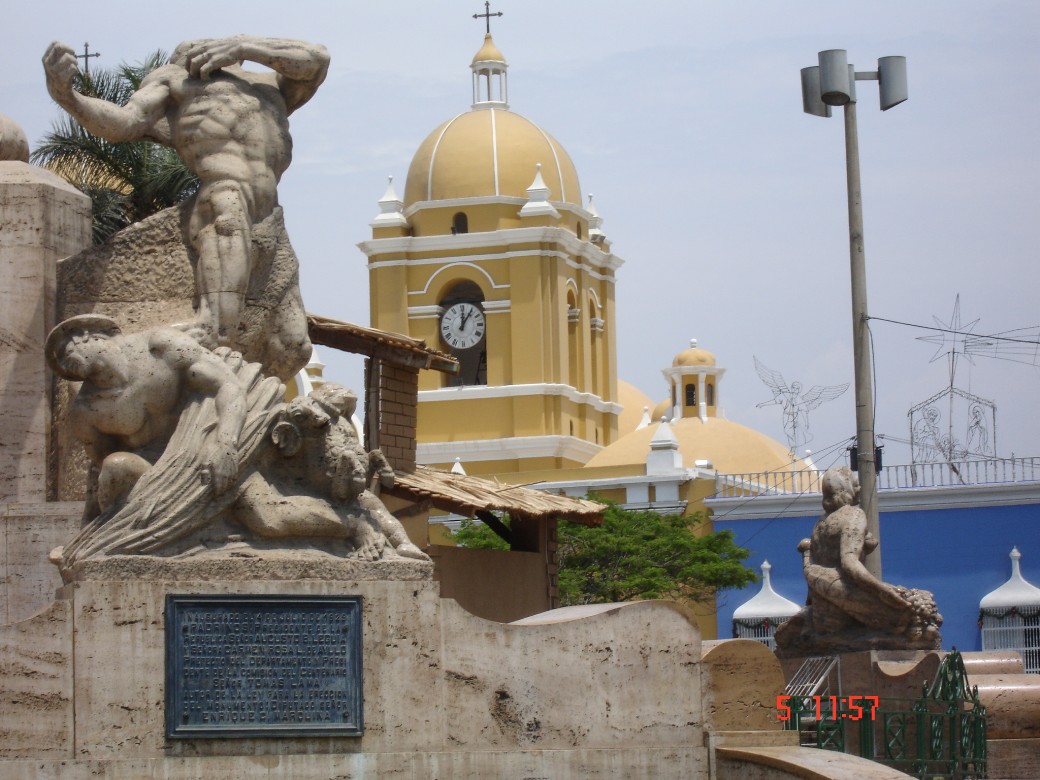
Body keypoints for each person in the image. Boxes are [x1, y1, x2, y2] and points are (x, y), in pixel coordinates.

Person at [42, 37, 330, 343]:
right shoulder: (175, 80)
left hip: (269, 216)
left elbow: (318, 59)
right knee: (219, 330)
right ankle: (203, 353)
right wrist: (67, 96)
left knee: (294, 345)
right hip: (225, 199)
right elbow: (125, 123)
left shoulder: (271, 84)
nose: (204, 50)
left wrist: (243, 46)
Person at [46, 314, 250, 517]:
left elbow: (228, 383)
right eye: (61, 365)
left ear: (85, 335)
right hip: (153, 475)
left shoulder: (159, 345)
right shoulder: (86, 410)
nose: (64, 367)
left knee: (270, 522)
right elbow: (102, 470)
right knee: (115, 466)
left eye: (66, 353)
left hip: (205, 449)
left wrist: (225, 446)